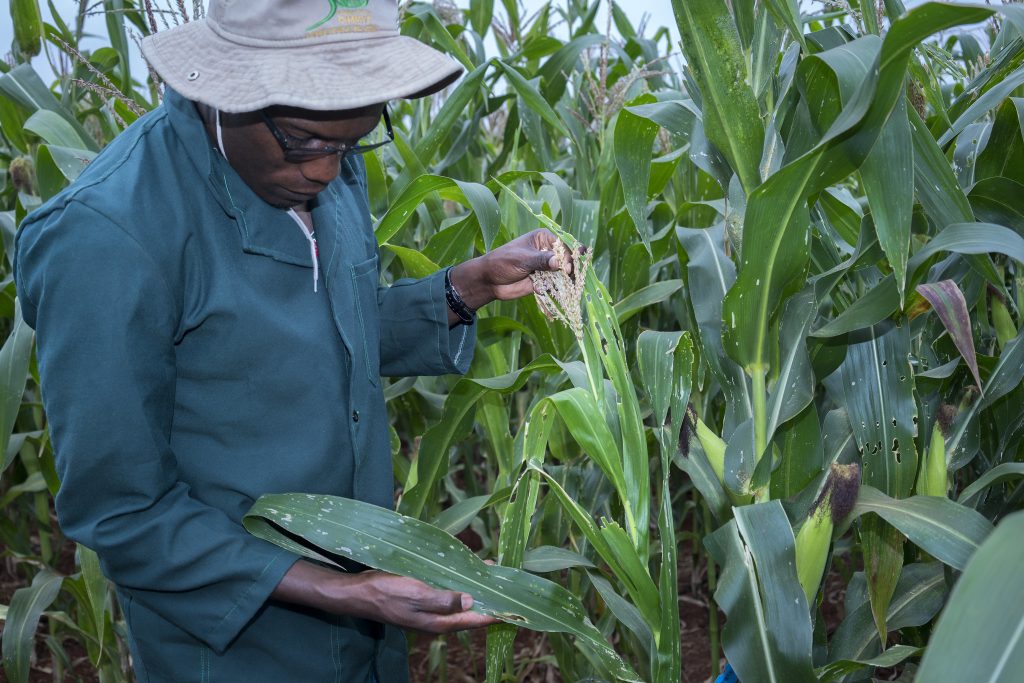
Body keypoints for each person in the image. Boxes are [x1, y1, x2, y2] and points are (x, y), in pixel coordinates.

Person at [13, 0, 562, 680]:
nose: (329, 172)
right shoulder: (106, 239)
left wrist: (464, 286)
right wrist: (340, 589)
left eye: (353, 141)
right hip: (240, 644)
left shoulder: (311, 157)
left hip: (372, 617)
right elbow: (123, 511)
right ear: (225, 91)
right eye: (307, 143)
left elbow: (315, 338)